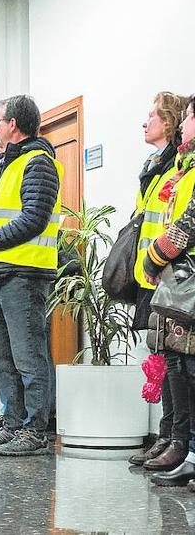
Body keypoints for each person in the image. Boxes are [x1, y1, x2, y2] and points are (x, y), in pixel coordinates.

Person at [0, 95, 61, 456]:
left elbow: (33, 219)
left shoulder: (38, 162)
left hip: (25, 273)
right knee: (3, 356)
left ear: (14, 125)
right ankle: (13, 422)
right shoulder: (10, 164)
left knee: (29, 356)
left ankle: (36, 430)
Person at [141, 95, 195, 488]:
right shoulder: (181, 168)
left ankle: (185, 446)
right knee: (175, 365)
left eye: (188, 118)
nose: (184, 125)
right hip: (173, 281)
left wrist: (154, 257)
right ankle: (180, 445)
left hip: (184, 279)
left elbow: (186, 226)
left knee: (187, 369)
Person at [128, 91, 184, 470]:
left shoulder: (177, 168)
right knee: (160, 360)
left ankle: (173, 437)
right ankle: (166, 435)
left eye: (152, 115)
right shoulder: (152, 167)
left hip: (170, 276)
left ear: (169, 121)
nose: (145, 121)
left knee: (173, 361)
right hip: (149, 275)